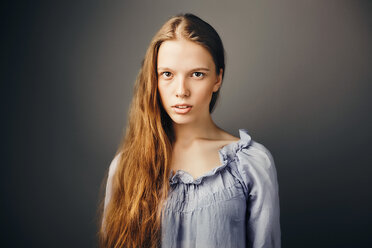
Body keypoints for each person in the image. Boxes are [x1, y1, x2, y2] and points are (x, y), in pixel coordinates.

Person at [98, 13, 281, 248]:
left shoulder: (252, 164)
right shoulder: (126, 167)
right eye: (167, 74)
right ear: (153, 80)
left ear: (218, 78)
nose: (181, 90)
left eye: (197, 74)